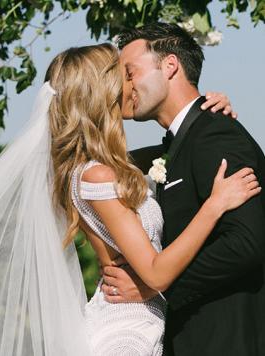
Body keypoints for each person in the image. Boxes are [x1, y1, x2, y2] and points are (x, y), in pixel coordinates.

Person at [0, 43, 259, 356]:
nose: (132, 84)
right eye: (124, 75)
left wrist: (203, 112)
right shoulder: (97, 176)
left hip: (144, 326)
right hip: (126, 334)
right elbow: (156, 273)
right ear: (101, 90)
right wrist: (214, 206)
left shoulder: (106, 168)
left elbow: (173, 153)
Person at [101, 24, 265, 356]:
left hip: (223, 342)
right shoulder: (178, 143)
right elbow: (102, 165)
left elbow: (246, 243)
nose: (123, 86)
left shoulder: (216, 134)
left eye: (130, 73)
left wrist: (155, 286)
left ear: (171, 65)